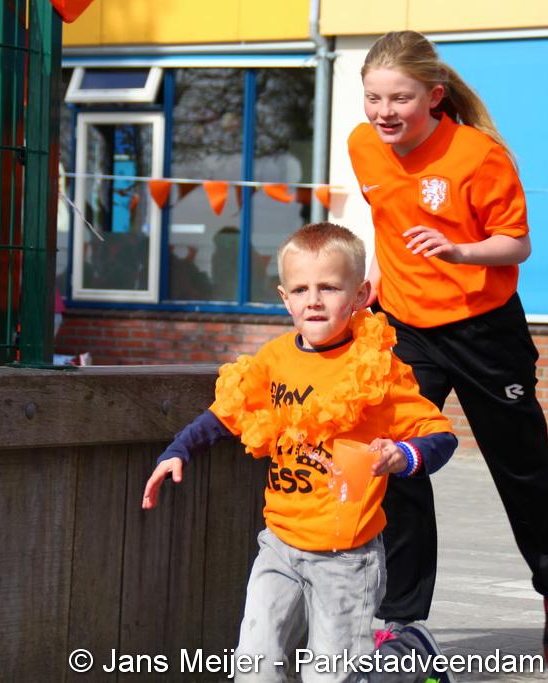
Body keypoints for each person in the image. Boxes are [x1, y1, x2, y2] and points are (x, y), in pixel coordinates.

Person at [347, 30, 548, 670]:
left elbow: (516, 244)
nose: (384, 112)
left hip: (484, 331)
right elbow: (388, 223)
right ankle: (401, 619)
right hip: (405, 328)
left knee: (521, 471)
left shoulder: (478, 156)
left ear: (434, 96)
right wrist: (374, 281)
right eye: (373, 98)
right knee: (395, 461)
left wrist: (459, 251)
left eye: (399, 99)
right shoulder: (363, 146)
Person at [143, 222, 458, 683]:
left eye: (329, 287)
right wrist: (179, 450)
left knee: (329, 676)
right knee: (255, 667)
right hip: (279, 545)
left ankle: (412, 657)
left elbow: (440, 435)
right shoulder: (274, 359)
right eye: (300, 289)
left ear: (360, 294)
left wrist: (403, 455)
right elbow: (227, 413)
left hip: (347, 558)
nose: (313, 300)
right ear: (285, 298)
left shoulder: (377, 367)